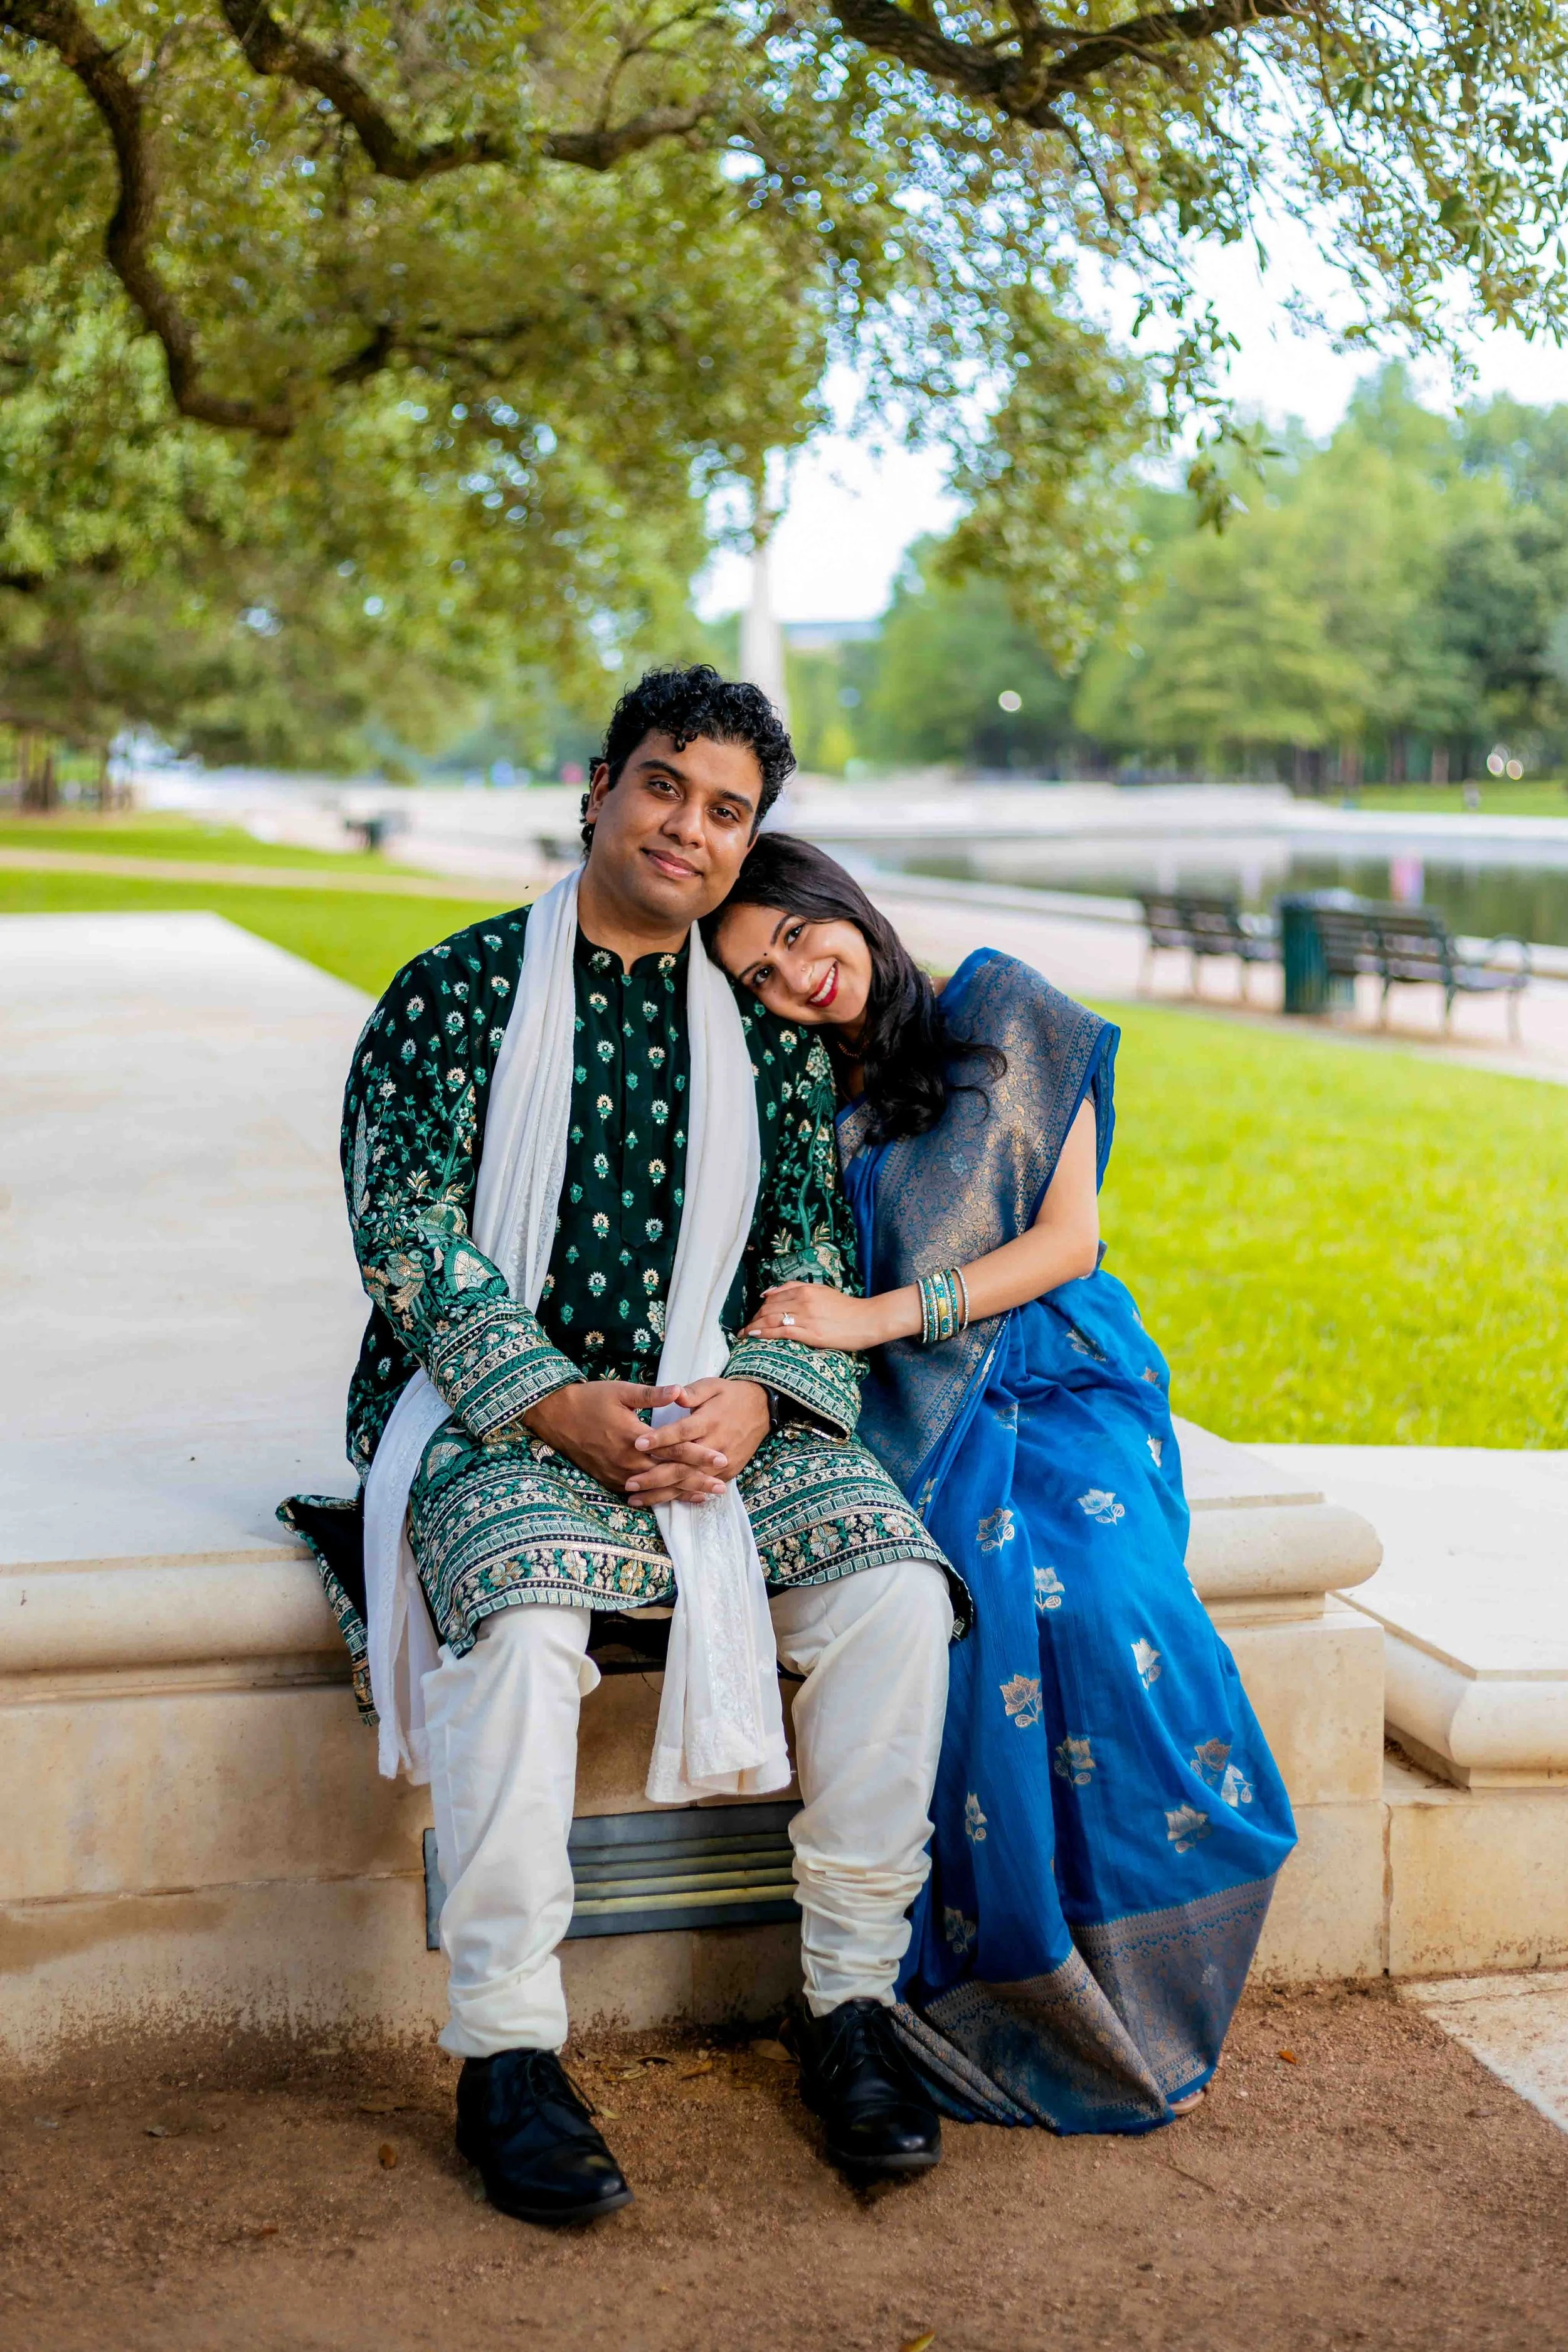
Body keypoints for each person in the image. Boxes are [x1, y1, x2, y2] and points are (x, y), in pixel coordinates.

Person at [282, 672, 962, 2225]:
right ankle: (506, 2048)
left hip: (715, 1415)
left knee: (896, 1598)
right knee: (520, 1620)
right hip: (491, 1409)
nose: (689, 827)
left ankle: (848, 2005)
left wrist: (757, 1399)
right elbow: (404, 1237)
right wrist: (547, 1402)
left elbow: (797, 1247)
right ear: (599, 787)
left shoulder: (763, 1036)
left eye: (729, 812)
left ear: (749, 846)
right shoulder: (454, 994)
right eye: (666, 786)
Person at [709, 833, 1297, 2134]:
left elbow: (1066, 1241)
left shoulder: (1003, 1010)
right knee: (966, 1611)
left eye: (800, 936)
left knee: (1099, 1601)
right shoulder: (792, 1104)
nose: (796, 977)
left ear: (841, 907)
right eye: (756, 976)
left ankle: (1140, 1974)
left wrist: (875, 1317)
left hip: (1060, 1377)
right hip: (919, 1418)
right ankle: (1000, 1985)